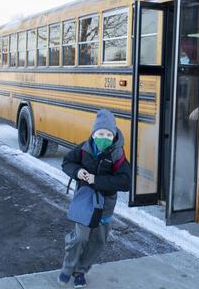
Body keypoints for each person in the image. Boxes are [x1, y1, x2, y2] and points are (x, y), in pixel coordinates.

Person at [59, 109, 131, 288]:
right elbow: (67, 162)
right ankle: (68, 268)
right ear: (93, 133)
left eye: (108, 134)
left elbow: (125, 182)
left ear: (113, 135)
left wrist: (96, 180)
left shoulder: (117, 154)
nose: (103, 137)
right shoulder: (84, 148)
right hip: (85, 201)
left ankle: (81, 272)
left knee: (98, 241)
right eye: (100, 133)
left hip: (105, 205)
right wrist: (78, 172)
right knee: (80, 238)